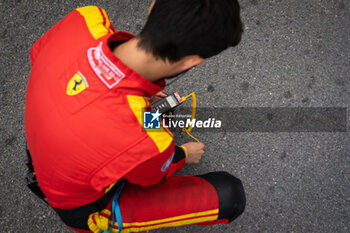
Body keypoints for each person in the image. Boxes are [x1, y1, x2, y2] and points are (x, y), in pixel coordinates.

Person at [25, 0, 245, 232]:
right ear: (192, 60)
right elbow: (149, 178)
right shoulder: (148, 141)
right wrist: (182, 154)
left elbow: (38, 56)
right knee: (229, 195)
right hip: (78, 204)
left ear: (153, 6)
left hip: (46, 140)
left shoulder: (85, 19)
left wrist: (130, 95)